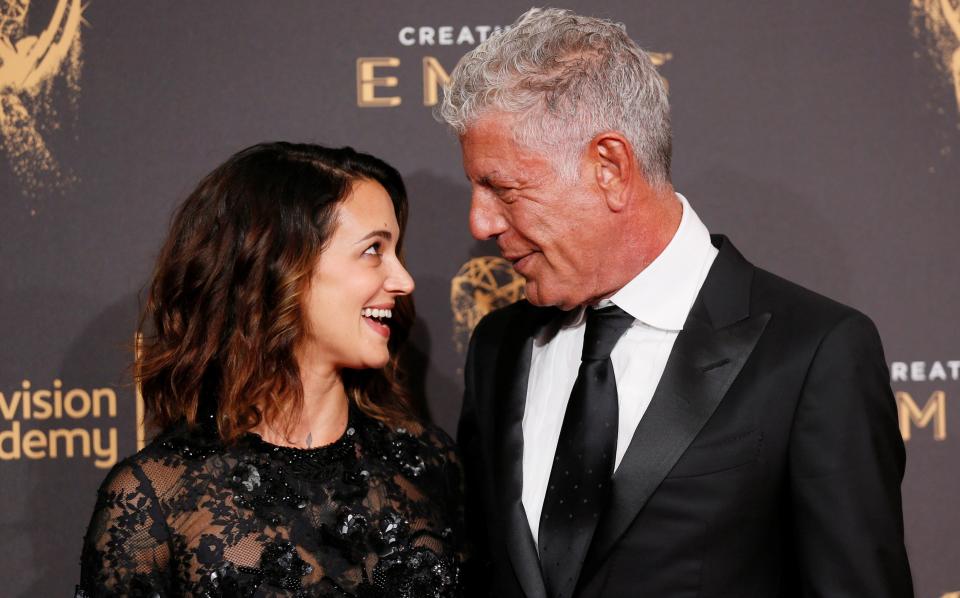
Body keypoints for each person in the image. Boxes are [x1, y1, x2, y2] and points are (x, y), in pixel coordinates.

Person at [439, 8, 913, 598]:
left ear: (609, 167)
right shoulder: (499, 345)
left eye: (503, 189)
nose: (480, 222)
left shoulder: (814, 352)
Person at [76, 143, 465, 597]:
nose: (404, 280)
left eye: (397, 250)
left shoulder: (429, 463)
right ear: (282, 267)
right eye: (373, 250)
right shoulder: (156, 500)